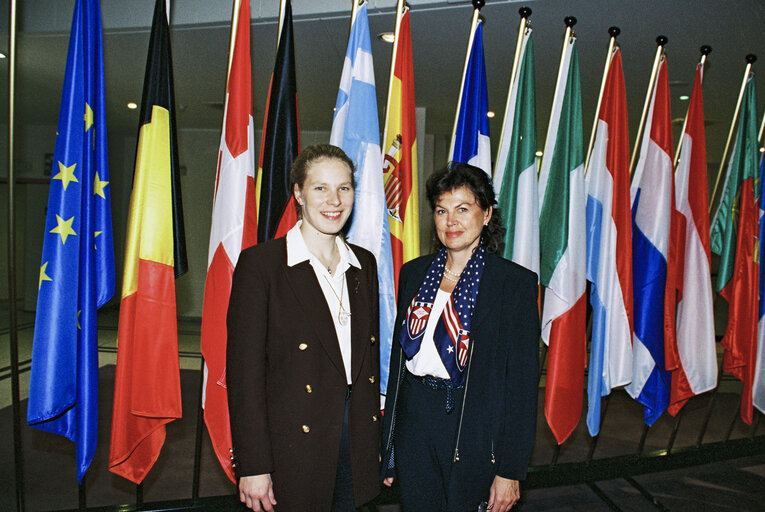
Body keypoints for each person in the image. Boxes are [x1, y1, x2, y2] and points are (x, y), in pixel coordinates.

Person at [226, 144, 381, 512]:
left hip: (354, 438)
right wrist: (254, 465)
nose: (334, 200)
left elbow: (367, 362)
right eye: (320, 188)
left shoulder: (364, 264)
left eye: (344, 188)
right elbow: (244, 375)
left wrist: (377, 445)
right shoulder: (261, 265)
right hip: (293, 444)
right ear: (298, 193)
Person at [380, 162, 539, 512]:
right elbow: (399, 367)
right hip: (415, 421)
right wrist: (389, 442)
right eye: (441, 210)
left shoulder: (513, 284)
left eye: (463, 209)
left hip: (475, 427)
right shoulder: (414, 273)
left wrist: (510, 470)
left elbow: (522, 387)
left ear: (486, 215)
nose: (451, 221)